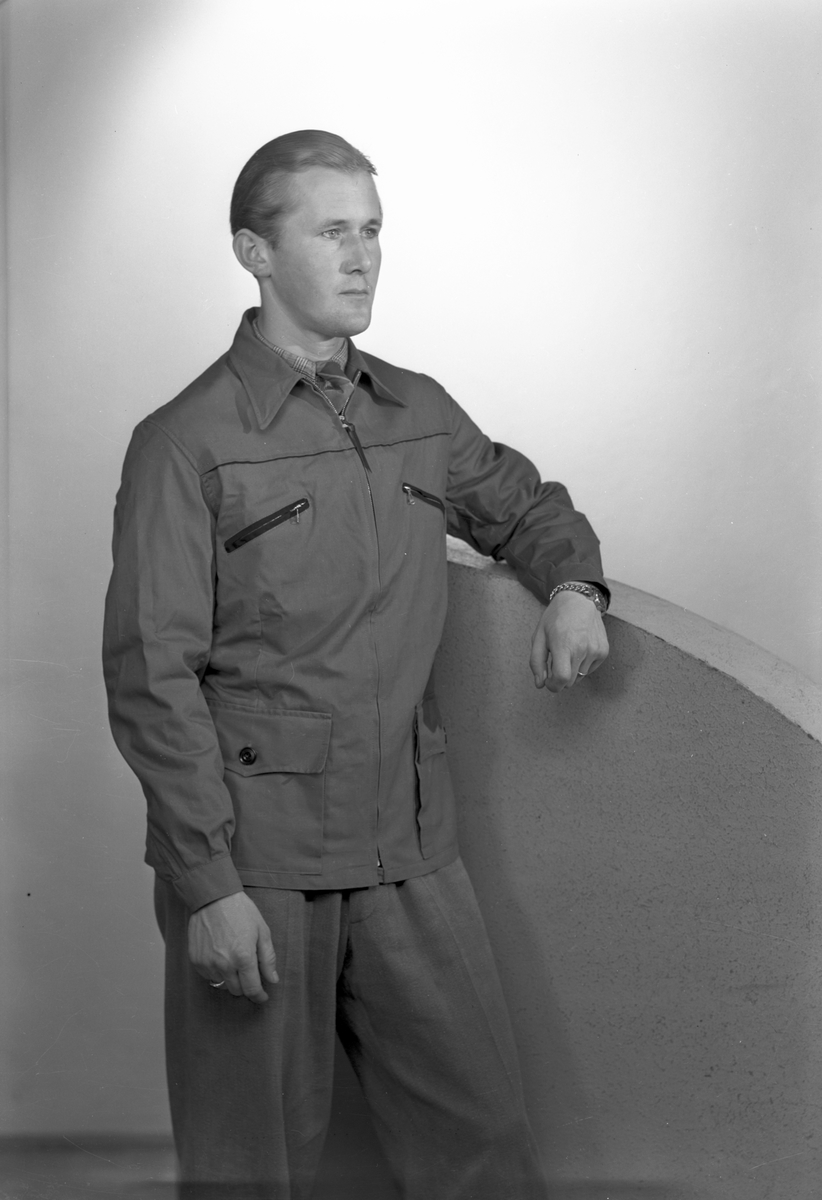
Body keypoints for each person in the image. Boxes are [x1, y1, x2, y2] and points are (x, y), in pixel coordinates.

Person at [103, 129, 610, 1200]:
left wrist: (574, 587)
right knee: (251, 1170)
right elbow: (152, 676)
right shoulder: (185, 443)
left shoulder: (416, 412)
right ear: (254, 251)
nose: (362, 256)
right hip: (258, 860)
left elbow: (526, 506)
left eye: (372, 230)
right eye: (332, 231)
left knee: (482, 1147)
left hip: (409, 847)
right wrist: (208, 886)